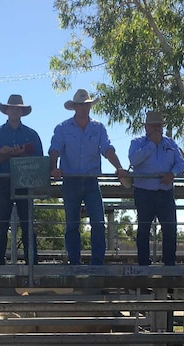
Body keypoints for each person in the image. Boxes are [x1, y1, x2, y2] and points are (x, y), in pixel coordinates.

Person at [49, 88, 128, 265]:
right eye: (81, 105)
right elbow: (55, 149)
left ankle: (97, 263)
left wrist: (119, 167)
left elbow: (107, 148)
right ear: (75, 107)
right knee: (71, 224)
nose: (84, 108)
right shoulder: (62, 128)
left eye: (87, 105)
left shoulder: (98, 127)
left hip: (92, 181)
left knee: (98, 222)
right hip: (70, 180)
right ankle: (74, 262)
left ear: (90, 106)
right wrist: (53, 168)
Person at [0, 94, 44, 265]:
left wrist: (21, 154)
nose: (15, 110)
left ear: (22, 112)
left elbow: (40, 160)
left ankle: (32, 263)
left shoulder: (32, 134)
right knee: (1, 225)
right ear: (7, 110)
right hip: (3, 181)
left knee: (28, 225)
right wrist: (1, 153)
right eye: (12, 107)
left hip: (26, 183)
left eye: (18, 108)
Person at [127, 111, 184, 266]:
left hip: (166, 193)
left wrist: (172, 174)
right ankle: (143, 265)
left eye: (159, 125)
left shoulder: (171, 143)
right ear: (146, 127)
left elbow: (181, 165)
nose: (156, 128)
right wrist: (152, 144)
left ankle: (169, 265)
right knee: (143, 230)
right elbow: (134, 160)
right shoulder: (137, 142)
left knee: (170, 230)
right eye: (153, 125)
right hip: (144, 193)